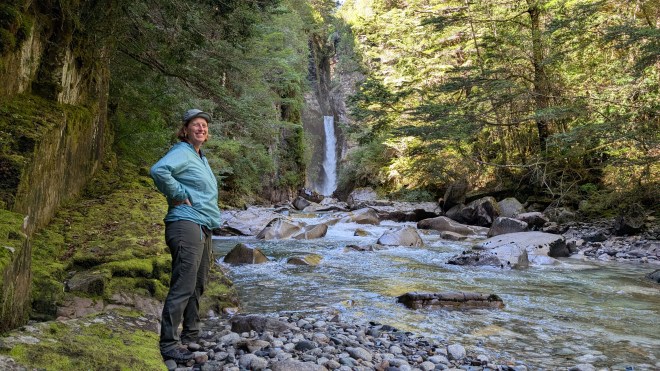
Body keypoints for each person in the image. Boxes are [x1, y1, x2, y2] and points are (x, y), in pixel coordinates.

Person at [150, 108, 221, 362]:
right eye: (196, 125)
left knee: (199, 282)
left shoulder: (200, 157)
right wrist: (179, 194)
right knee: (184, 283)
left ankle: (191, 334)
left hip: (203, 224)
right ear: (185, 130)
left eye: (204, 125)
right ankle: (168, 343)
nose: (201, 128)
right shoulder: (181, 151)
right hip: (185, 223)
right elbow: (159, 171)